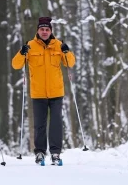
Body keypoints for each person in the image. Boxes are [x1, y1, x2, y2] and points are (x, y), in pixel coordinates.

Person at [12, 17, 76, 165]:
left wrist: (67, 52)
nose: (45, 32)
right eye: (42, 29)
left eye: (47, 29)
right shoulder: (30, 46)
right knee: (39, 125)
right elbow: (16, 65)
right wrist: (22, 53)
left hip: (56, 92)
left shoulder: (58, 45)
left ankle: (55, 153)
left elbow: (70, 63)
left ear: (51, 31)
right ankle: (40, 152)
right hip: (38, 92)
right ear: (38, 30)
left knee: (55, 123)